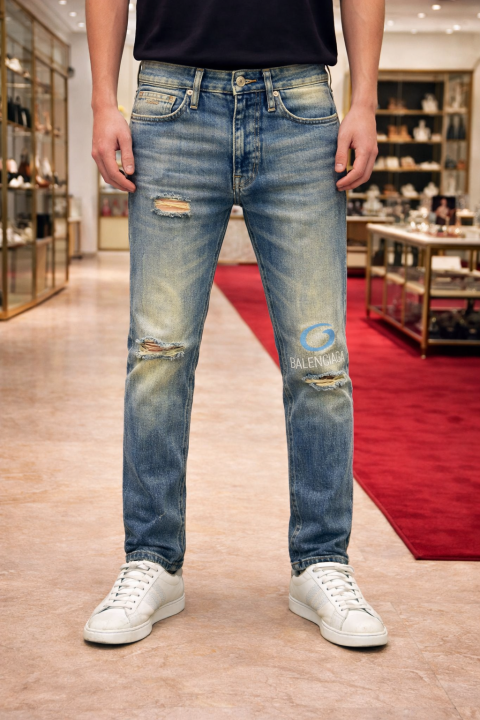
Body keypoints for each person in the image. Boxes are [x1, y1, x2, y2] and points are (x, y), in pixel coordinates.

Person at [84, 0, 387, 649]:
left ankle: (322, 561)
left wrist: (364, 99)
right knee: (158, 354)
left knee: (319, 362)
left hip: (301, 108)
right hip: (172, 106)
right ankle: (152, 559)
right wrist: (103, 100)